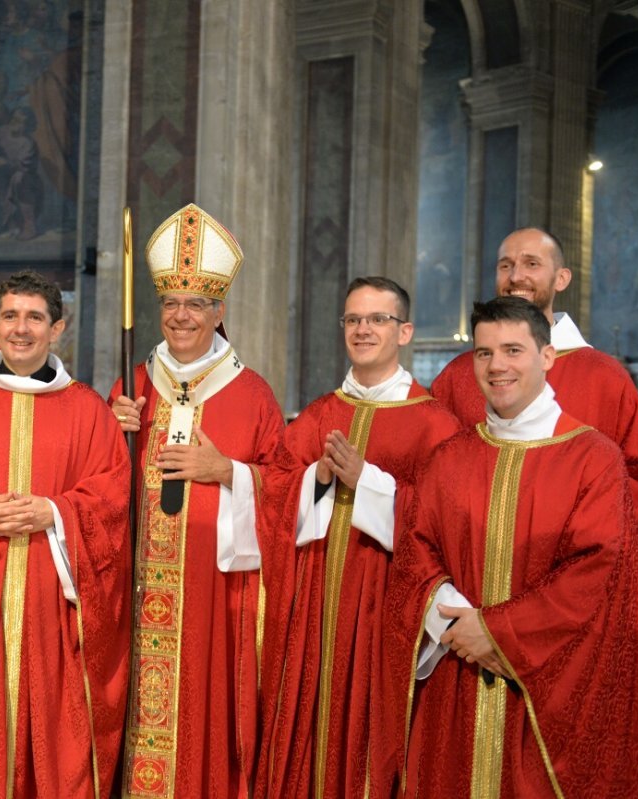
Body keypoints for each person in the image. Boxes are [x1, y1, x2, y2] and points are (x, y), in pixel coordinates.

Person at [379, 296, 638, 796]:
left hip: (544, 699)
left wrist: (496, 631)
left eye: (513, 350)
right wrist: (453, 621)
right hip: (454, 680)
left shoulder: (594, 459)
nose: (497, 366)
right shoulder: (449, 458)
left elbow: (597, 573)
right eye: (483, 353)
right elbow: (416, 551)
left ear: (547, 357)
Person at [429, 227, 638, 761]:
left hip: (565, 625)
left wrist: (536, 599)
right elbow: (428, 490)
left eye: (531, 264)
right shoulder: (457, 377)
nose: (516, 275)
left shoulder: (605, 378)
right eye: (506, 264)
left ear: (561, 279)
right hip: (464, 621)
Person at [256, 277, 460, 798]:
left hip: (385, 609)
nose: (362, 330)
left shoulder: (436, 423)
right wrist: (317, 480)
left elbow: (445, 521)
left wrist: (367, 481)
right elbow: (275, 492)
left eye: (376, 320)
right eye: (352, 320)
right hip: (315, 608)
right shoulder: (321, 413)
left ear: (405, 331)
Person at [0, 270, 131, 797]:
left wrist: (55, 511)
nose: (22, 329)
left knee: (56, 736)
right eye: (11, 316)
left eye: (35, 318)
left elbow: (112, 499)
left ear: (57, 328)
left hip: (56, 603)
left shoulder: (88, 409)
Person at [110, 203, 287, 797]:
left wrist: (229, 471)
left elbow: (286, 493)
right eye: (170, 303)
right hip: (137, 594)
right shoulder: (130, 385)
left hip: (217, 601)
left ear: (219, 311)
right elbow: (100, 486)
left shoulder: (253, 395)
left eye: (195, 304)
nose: (180, 316)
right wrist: (113, 431)